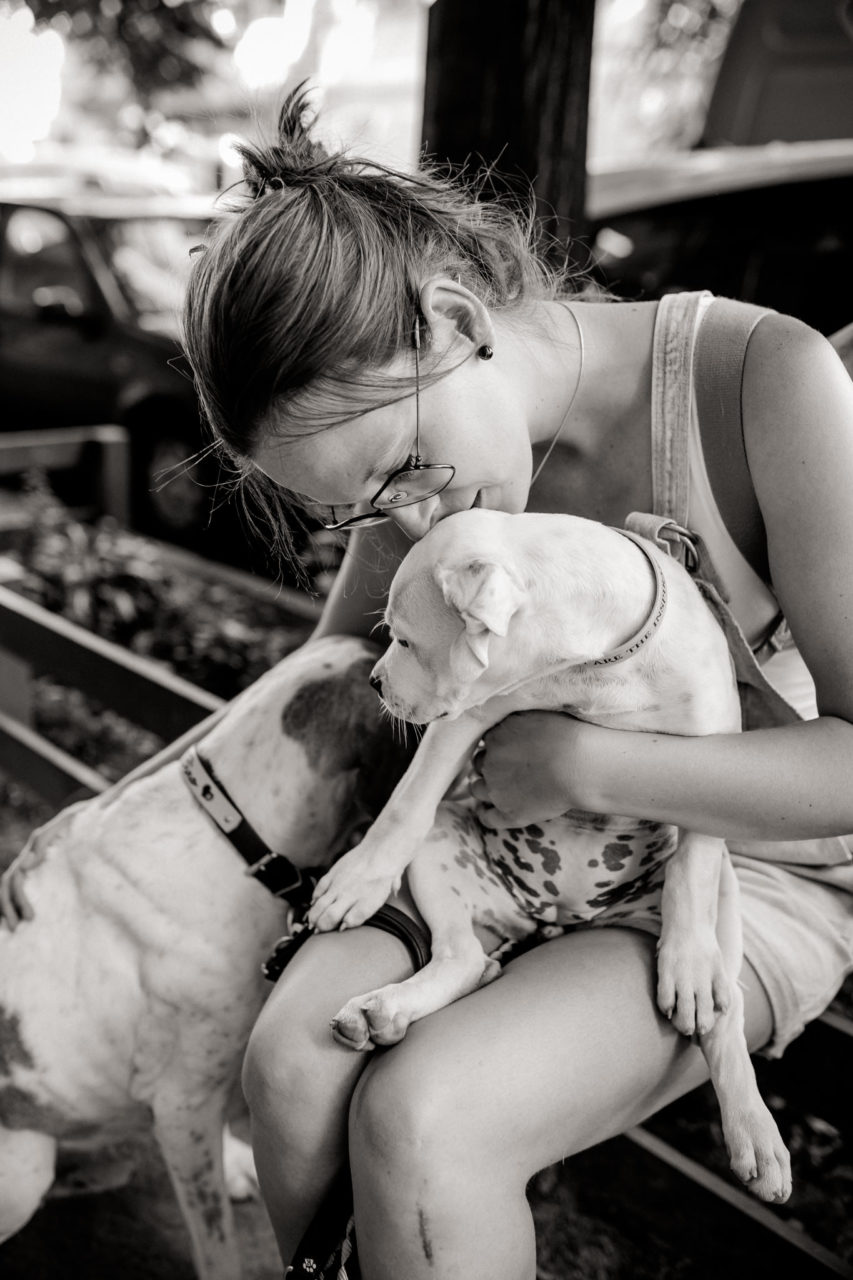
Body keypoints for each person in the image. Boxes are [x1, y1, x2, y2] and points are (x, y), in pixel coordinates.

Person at [8, 85, 853, 1278]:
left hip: (739, 868)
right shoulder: (419, 493)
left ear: (456, 316)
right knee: (290, 1065)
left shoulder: (765, 382)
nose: (404, 520)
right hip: (485, 853)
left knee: (423, 1121)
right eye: (361, 510)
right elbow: (345, 680)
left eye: (402, 469)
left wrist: (580, 761)